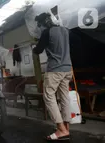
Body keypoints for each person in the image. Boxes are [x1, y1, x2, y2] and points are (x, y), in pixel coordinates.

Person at [32, 13, 73, 141]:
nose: (40, 28)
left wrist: (34, 47)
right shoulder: (66, 30)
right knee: (64, 97)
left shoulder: (47, 32)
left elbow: (38, 50)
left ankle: (61, 129)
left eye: (40, 25)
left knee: (49, 96)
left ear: (44, 23)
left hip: (55, 70)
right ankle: (66, 128)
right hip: (67, 69)